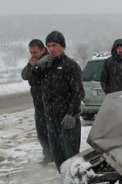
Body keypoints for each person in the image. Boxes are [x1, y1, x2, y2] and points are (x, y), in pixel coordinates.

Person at [36, 30, 84, 172]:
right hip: (51, 118)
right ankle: (63, 180)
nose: (51, 49)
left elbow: (78, 92)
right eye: (48, 46)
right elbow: (32, 81)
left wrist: (72, 113)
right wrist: (38, 66)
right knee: (57, 154)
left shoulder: (71, 66)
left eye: (54, 45)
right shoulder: (46, 67)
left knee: (70, 155)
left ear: (62, 46)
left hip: (67, 119)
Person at [21, 39, 52, 165]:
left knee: (52, 132)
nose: (32, 55)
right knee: (41, 132)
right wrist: (30, 65)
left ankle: (55, 155)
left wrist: (38, 66)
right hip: (38, 104)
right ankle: (47, 155)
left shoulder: (49, 60)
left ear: (43, 50)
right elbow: (24, 75)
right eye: (31, 52)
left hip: (50, 103)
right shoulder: (33, 62)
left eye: (35, 52)